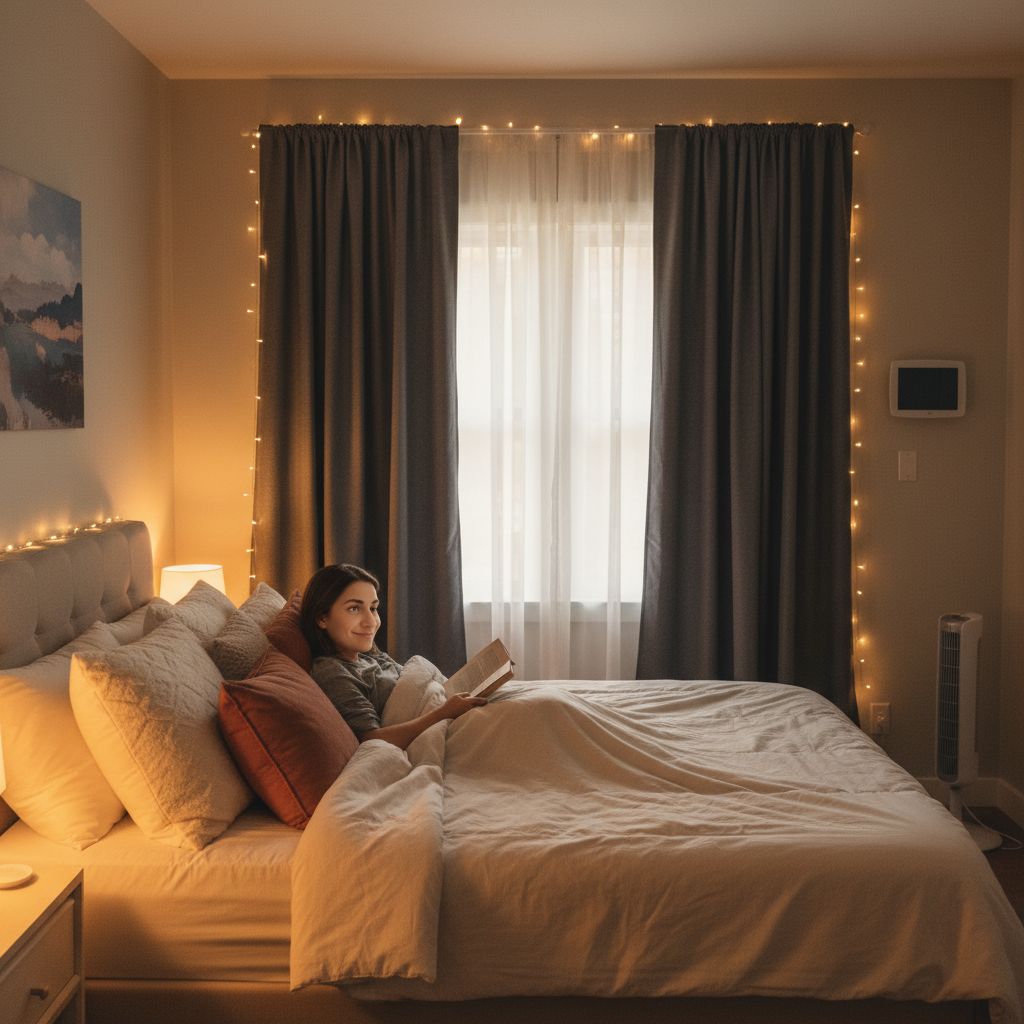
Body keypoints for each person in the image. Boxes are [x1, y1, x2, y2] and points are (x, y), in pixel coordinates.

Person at [299, 563, 486, 750]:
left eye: (373, 608)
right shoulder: (333, 673)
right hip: (446, 726)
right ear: (322, 618)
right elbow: (370, 739)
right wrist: (445, 713)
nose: (371, 622)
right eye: (354, 608)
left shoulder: (370, 657)